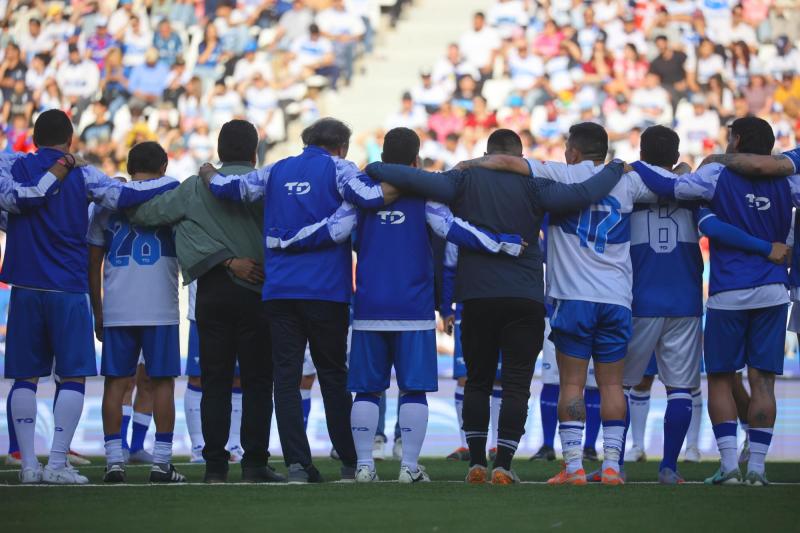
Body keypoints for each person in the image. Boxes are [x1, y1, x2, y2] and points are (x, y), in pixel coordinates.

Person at [365, 128, 625, 484]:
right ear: (520, 158)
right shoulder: (536, 184)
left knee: (477, 381)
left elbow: (415, 178)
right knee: (516, 385)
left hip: (477, 295)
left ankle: (475, 462)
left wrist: (376, 168)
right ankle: (502, 464)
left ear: (488, 155)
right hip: (524, 296)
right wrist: (615, 168)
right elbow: (583, 194)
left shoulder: (464, 179)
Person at [272, 126, 525, 483]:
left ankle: (364, 466)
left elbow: (332, 230)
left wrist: (284, 241)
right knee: (413, 389)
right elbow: (455, 230)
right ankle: (409, 467)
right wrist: (501, 243)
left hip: (369, 307)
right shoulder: (425, 197)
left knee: (366, 389)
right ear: (416, 161)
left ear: (382, 158)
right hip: (413, 308)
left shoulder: (361, 197)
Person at [201, 117, 392, 483]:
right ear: (341, 147)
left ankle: (298, 466)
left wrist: (208, 172)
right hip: (326, 292)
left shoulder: (276, 169)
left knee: (286, 380)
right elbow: (371, 197)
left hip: (279, 292)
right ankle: (350, 462)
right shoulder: (340, 168)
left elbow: (228, 188)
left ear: (306, 141)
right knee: (333, 376)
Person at [3, 109, 178, 485]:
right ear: (70, 141)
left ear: (34, 139)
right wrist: (178, 184)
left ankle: (29, 465)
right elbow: (125, 194)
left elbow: (11, 205)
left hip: (25, 285)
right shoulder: (83, 174)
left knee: (24, 378)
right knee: (72, 377)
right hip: (68, 287)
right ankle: (57, 464)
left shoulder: (11, 165)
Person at [633, 118, 799, 486]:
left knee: (722, 379)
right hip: (774, 288)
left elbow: (669, 186)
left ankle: (729, 467)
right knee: (763, 381)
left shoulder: (715, 175)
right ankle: (757, 469)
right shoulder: (789, 180)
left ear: (736, 140)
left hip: (729, 291)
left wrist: (634, 166)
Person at [126, 119, 283, 484]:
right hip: (260, 290)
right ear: (254, 152)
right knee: (259, 382)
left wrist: (189, 232)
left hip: (212, 292)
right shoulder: (268, 185)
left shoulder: (195, 187)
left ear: (219, 151)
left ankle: (214, 467)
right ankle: (255, 464)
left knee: (215, 381)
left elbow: (145, 214)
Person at [88, 141, 185, 483]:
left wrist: (98, 309)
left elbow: (93, 263)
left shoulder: (107, 205)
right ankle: (161, 462)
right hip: (160, 306)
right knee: (162, 383)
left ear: (130, 169)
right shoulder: (173, 196)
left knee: (116, 383)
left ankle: (114, 461)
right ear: (163, 167)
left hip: (118, 305)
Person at [182, 281, 246, 464]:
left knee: (238, 379)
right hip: (203, 311)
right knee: (197, 378)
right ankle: (198, 446)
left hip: (241, 308)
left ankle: (234, 444)